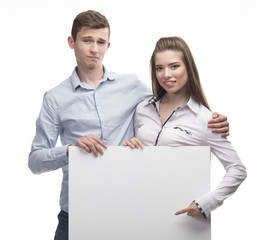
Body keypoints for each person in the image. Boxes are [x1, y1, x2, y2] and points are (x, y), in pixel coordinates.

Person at [28, 11, 230, 240]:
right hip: (76, 212)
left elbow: (171, 105)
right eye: (87, 41)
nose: (94, 49)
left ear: (108, 45)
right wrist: (69, 150)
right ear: (71, 42)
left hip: (129, 209)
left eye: (100, 42)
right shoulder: (55, 98)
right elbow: (35, 160)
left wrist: (210, 120)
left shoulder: (132, 85)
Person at [124, 36, 247, 219]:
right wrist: (129, 147)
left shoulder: (205, 118)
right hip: (139, 208)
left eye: (174, 66)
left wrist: (206, 203)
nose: (166, 74)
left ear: (188, 67)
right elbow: (132, 161)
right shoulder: (142, 109)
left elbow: (237, 169)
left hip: (181, 216)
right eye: (159, 68)